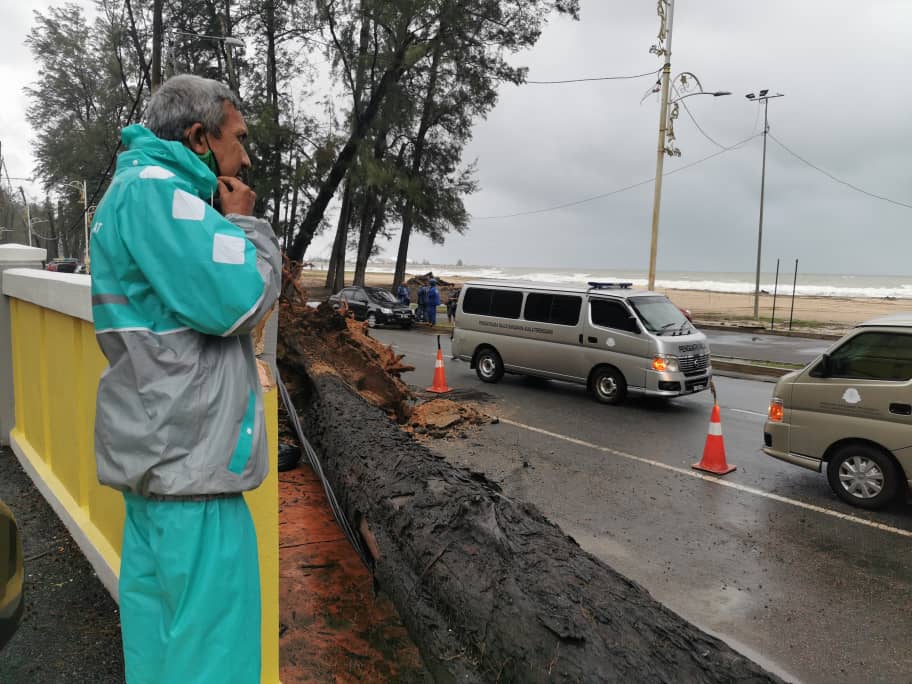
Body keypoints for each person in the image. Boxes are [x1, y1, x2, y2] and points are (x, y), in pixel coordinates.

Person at [89, 74, 281, 684]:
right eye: (237, 138)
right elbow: (239, 299)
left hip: (158, 466)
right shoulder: (161, 196)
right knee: (214, 660)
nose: (245, 158)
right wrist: (246, 224)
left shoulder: (130, 193)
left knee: (158, 651)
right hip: (192, 475)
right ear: (200, 138)